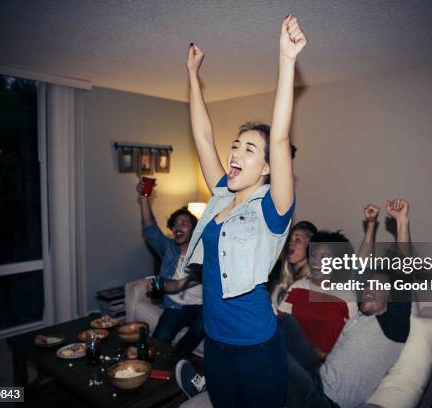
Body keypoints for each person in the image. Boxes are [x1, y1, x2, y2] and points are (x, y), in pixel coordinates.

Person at [174, 16, 307, 408]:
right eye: (235, 145)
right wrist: (192, 76)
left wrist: (286, 61)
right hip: (214, 341)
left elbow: (280, 138)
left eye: (248, 149)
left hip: (255, 346)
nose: (234, 152)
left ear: (266, 168)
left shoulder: (273, 209)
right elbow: (201, 136)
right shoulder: (219, 194)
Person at [283, 198, 413, 408]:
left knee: (275, 356)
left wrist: (402, 221)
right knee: (282, 326)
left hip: (326, 401)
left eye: (376, 286)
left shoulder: (393, 328)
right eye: (367, 285)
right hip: (316, 376)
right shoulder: (362, 315)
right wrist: (371, 224)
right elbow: (361, 269)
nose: (368, 288)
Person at [276, 204, 379, 359]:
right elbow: (279, 326)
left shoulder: (346, 296)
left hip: (321, 367)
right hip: (287, 358)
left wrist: (371, 225)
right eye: (315, 255)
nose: (317, 261)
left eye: (324, 257)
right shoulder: (297, 288)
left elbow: (351, 341)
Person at [136, 179, 204, 356]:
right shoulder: (169, 248)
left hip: (202, 307)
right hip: (175, 307)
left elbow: (191, 280)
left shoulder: (203, 253)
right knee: (158, 342)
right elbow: (150, 228)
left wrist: (166, 283)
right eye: (175, 225)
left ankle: (177, 357)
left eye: (184, 223)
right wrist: (144, 197)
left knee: (203, 324)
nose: (177, 228)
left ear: (194, 229)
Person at [268, 220, 318, 307]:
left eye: (297, 239)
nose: (291, 243)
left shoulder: (314, 285)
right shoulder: (279, 284)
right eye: (290, 239)